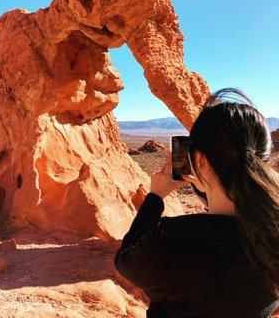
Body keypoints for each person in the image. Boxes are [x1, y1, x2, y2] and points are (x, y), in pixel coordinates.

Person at [114, 88, 279, 318]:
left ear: (200, 160)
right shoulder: (271, 236)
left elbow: (125, 262)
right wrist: (207, 189)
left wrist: (155, 198)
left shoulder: (171, 239)